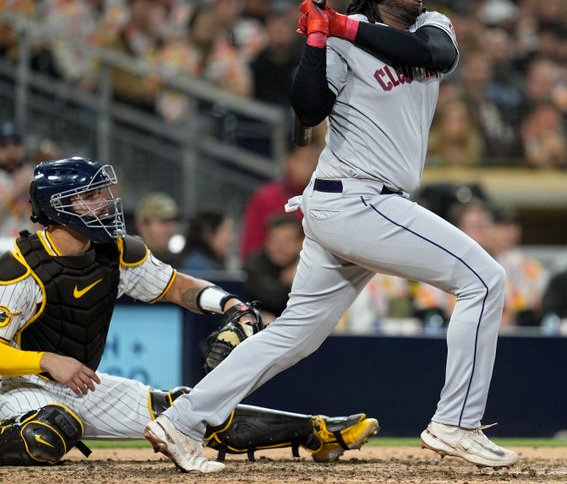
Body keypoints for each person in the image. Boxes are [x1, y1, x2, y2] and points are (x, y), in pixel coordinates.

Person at [148, 0, 518, 471]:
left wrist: (338, 26)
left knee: (295, 334)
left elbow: (436, 57)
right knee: (484, 280)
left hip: (356, 205)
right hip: (357, 200)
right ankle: (455, 422)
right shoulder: (340, 42)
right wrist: (316, 40)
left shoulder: (431, 24)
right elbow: (307, 110)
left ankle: (182, 420)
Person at [0, 157, 378, 471]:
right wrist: (46, 360)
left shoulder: (116, 252)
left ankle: (317, 431)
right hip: (15, 389)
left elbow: (177, 287)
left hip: (75, 385)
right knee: (46, 434)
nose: (105, 203)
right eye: (90, 196)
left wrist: (231, 304)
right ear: (57, 207)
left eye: (103, 193)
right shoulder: (20, 266)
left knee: (183, 411)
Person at [239, 142, 321, 261]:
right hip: (270, 274)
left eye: (315, 161)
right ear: (289, 160)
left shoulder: (321, 199)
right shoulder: (265, 198)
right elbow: (250, 250)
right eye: (305, 160)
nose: (311, 166)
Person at [242, 213, 304, 320]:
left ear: (301, 242)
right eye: (274, 240)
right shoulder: (255, 263)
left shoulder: (309, 265)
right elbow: (269, 300)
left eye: (286, 241)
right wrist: (289, 284)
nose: (279, 247)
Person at [133, 192, 181, 266]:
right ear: (142, 225)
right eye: (163, 222)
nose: (171, 230)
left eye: (173, 221)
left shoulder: (180, 261)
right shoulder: (129, 262)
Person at [177, 208, 232, 272]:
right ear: (209, 233)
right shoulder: (196, 266)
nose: (230, 239)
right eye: (225, 231)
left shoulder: (209, 263)